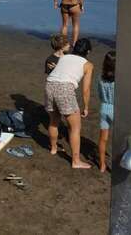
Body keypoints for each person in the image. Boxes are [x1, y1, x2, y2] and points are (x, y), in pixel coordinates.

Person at [45, 38, 94, 169]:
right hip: (65, 89)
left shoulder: (64, 57)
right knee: (75, 128)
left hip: (50, 84)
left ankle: (54, 148)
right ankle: (76, 161)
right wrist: (86, 107)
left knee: (53, 121)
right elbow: (86, 89)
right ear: (88, 51)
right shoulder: (88, 64)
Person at [98, 50, 116, 173]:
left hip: (104, 108)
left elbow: (100, 94)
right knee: (120, 139)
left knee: (103, 139)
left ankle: (102, 165)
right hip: (116, 109)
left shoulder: (100, 78)